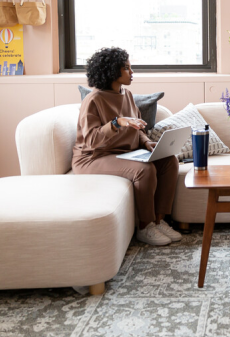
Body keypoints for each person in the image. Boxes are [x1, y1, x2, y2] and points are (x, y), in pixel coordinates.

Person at [72, 47, 182, 246]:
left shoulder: (128, 95)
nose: (132, 73)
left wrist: (147, 142)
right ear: (112, 71)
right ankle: (145, 226)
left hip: (125, 154)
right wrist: (116, 123)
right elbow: (91, 140)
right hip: (92, 158)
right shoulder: (93, 100)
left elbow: (137, 127)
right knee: (144, 170)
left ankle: (159, 220)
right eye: (126, 68)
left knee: (169, 160)